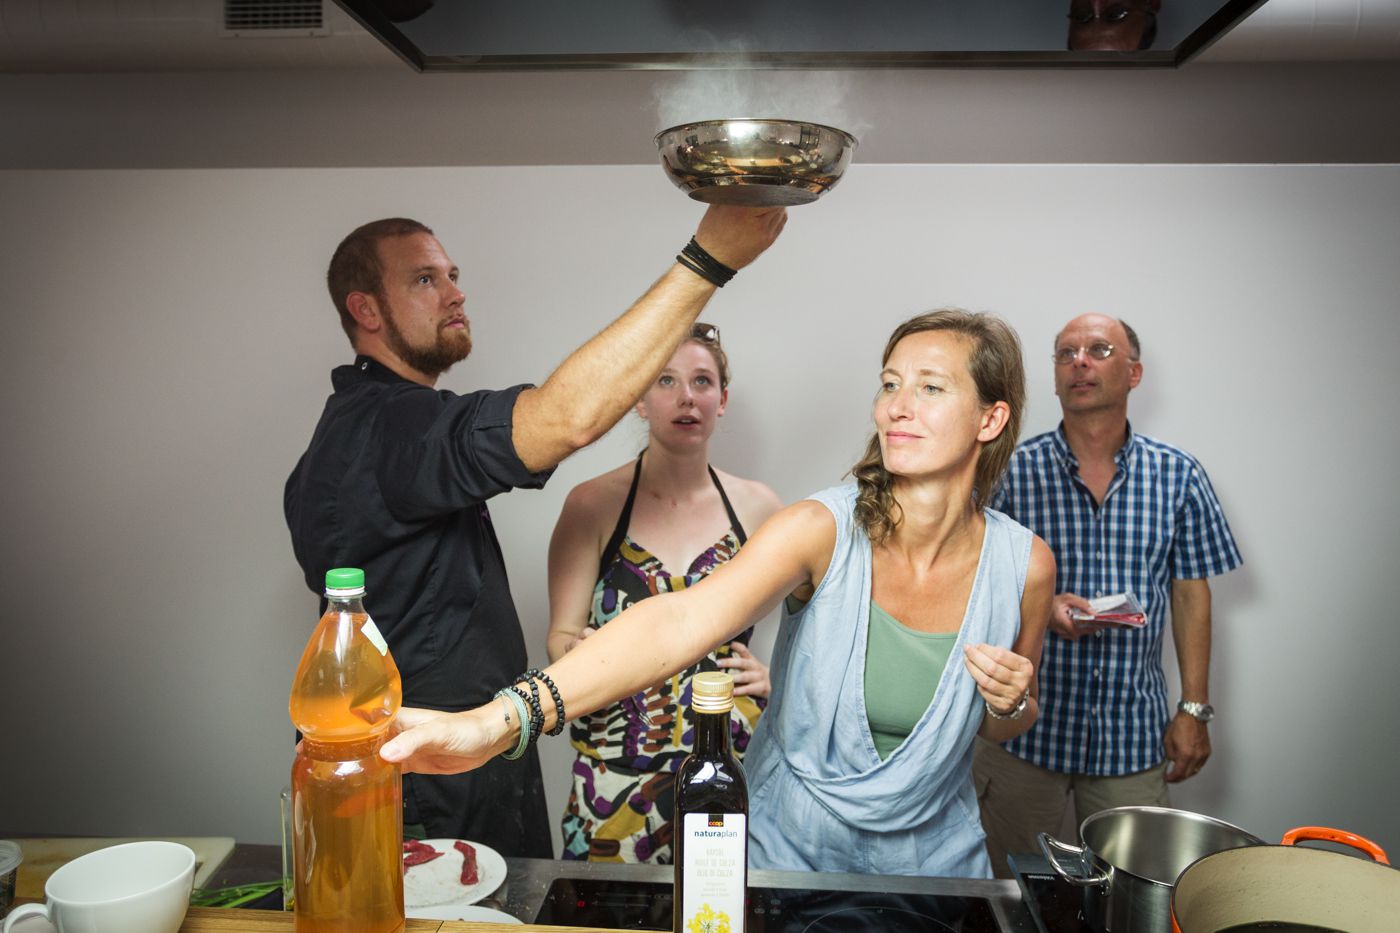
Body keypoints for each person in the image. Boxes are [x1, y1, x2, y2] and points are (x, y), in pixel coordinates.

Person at [380, 308, 1057, 879]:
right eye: (889, 384)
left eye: (930, 387)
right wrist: (497, 721)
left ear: (990, 418)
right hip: (790, 857)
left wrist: (1013, 699)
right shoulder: (819, 528)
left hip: (937, 867)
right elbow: (678, 620)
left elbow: (1005, 718)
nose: (896, 407)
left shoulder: (1025, 566)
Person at [283, 206, 786, 858]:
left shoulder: (362, 431)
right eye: (425, 279)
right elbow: (562, 420)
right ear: (366, 309)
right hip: (428, 776)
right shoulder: (389, 429)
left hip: (477, 756)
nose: (456, 293)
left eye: (453, 275)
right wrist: (708, 258)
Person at [973, 313, 1243, 878]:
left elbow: (1191, 595)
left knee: (1132, 894)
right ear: (1054, 377)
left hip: (1131, 736)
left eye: (1099, 350)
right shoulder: (1012, 472)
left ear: (1134, 373)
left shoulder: (1179, 476)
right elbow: (972, 578)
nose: (1080, 362)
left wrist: (1194, 710)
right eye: (1065, 353)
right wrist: (1042, 607)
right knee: (1013, 890)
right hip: (1026, 734)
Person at [546, 322, 783, 863]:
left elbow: (813, 627)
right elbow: (559, 634)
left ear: (722, 400)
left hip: (728, 771)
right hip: (613, 776)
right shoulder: (591, 505)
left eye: (702, 381)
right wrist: (578, 651)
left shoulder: (759, 508)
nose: (686, 397)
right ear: (638, 399)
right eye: (665, 381)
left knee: (721, 904)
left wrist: (778, 680)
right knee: (603, 909)